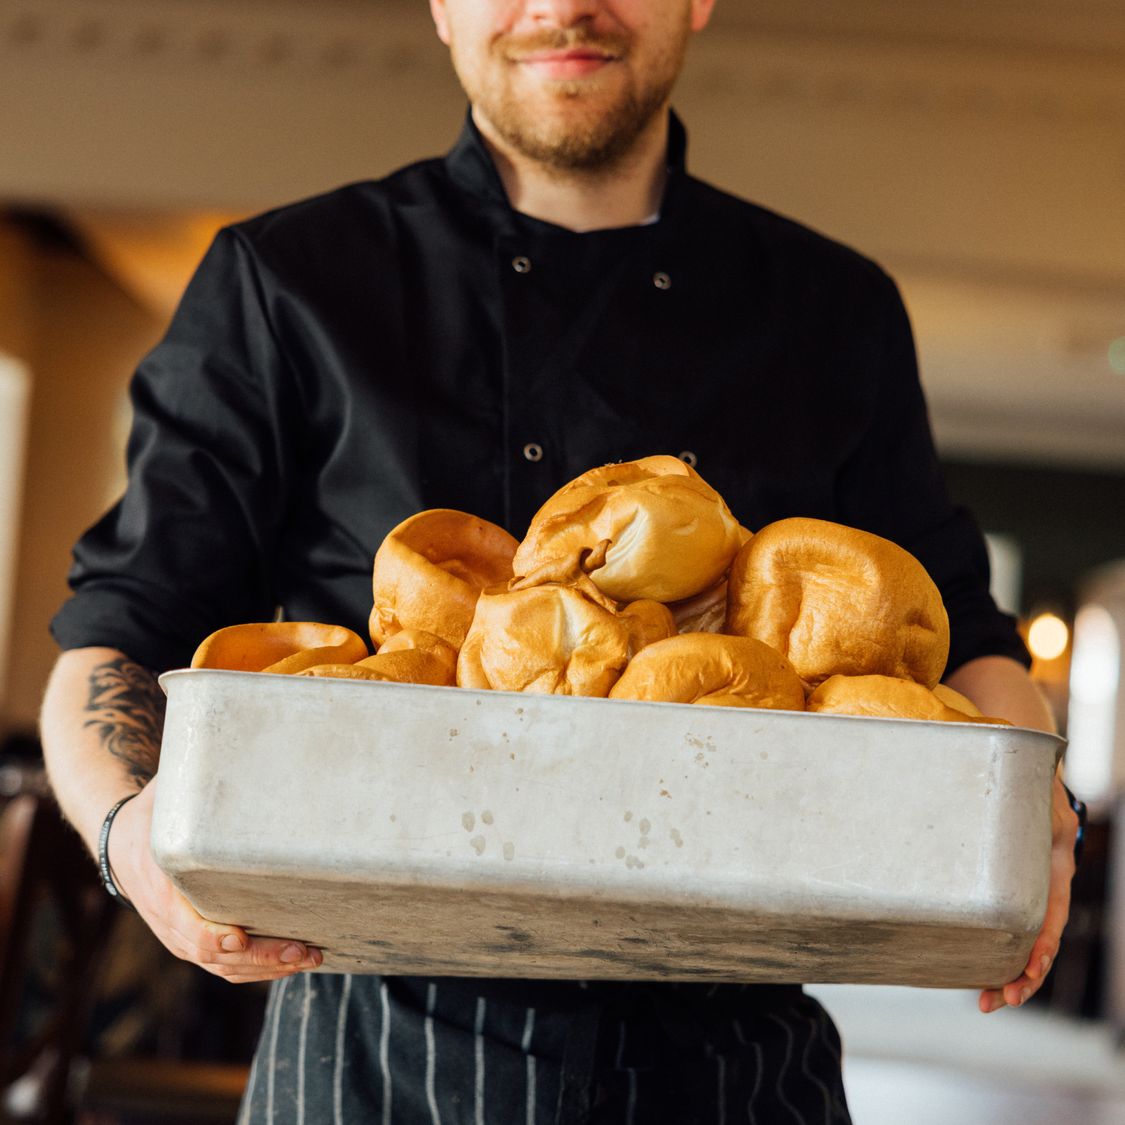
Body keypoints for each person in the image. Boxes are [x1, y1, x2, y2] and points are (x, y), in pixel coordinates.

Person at [40, 0, 1080, 1121]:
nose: (563, 5)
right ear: (442, 7)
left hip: (736, 1063)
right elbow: (122, 628)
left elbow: (965, 640)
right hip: (373, 1058)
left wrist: (1034, 818)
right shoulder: (285, 281)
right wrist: (128, 835)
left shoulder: (833, 310)